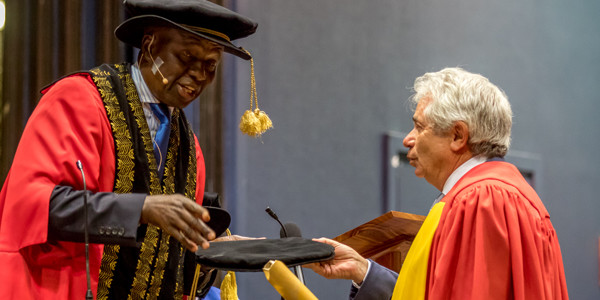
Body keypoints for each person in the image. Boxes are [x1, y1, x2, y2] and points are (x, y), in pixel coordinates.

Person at [0, 0, 257, 299]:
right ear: (149, 45)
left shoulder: (189, 146)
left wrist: (229, 250)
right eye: (187, 56)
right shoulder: (80, 101)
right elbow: (31, 205)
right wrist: (142, 208)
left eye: (210, 65)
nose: (200, 74)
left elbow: (170, 266)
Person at [306, 67, 569, 299]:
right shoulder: (489, 194)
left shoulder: (481, 200)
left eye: (419, 127)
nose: (408, 139)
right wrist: (363, 271)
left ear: (458, 135)